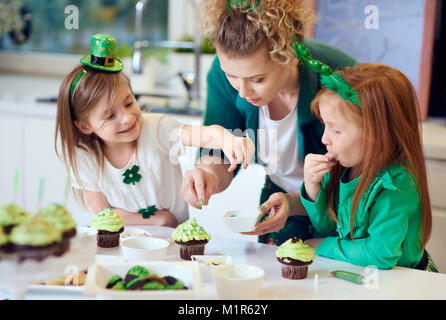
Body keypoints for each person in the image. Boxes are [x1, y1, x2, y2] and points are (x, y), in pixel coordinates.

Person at [180, 0, 357, 245]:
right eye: (232, 76)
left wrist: (300, 202)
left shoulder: (336, 76)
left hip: (342, 206)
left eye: (258, 78)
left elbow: (363, 174)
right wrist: (207, 173)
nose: (242, 91)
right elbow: (218, 151)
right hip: (279, 199)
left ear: (290, 58)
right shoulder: (222, 76)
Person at [55, 33, 254, 227]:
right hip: (122, 241)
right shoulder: (84, 156)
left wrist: (225, 138)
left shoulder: (157, 128)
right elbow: (104, 214)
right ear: (84, 126)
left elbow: (204, 135)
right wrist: (159, 220)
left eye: (129, 102)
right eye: (110, 116)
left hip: (174, 244)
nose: (127, 117)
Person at [260, 63, 438, 271]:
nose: (325, 139)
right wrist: (312, 186)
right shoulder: (344, 166)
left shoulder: (397, 183)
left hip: (405, 281)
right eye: (325, 125)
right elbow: (326, 225)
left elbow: (381, 254)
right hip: (364, 274)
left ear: (376, 135)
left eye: (336, 131)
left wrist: (321, 245)